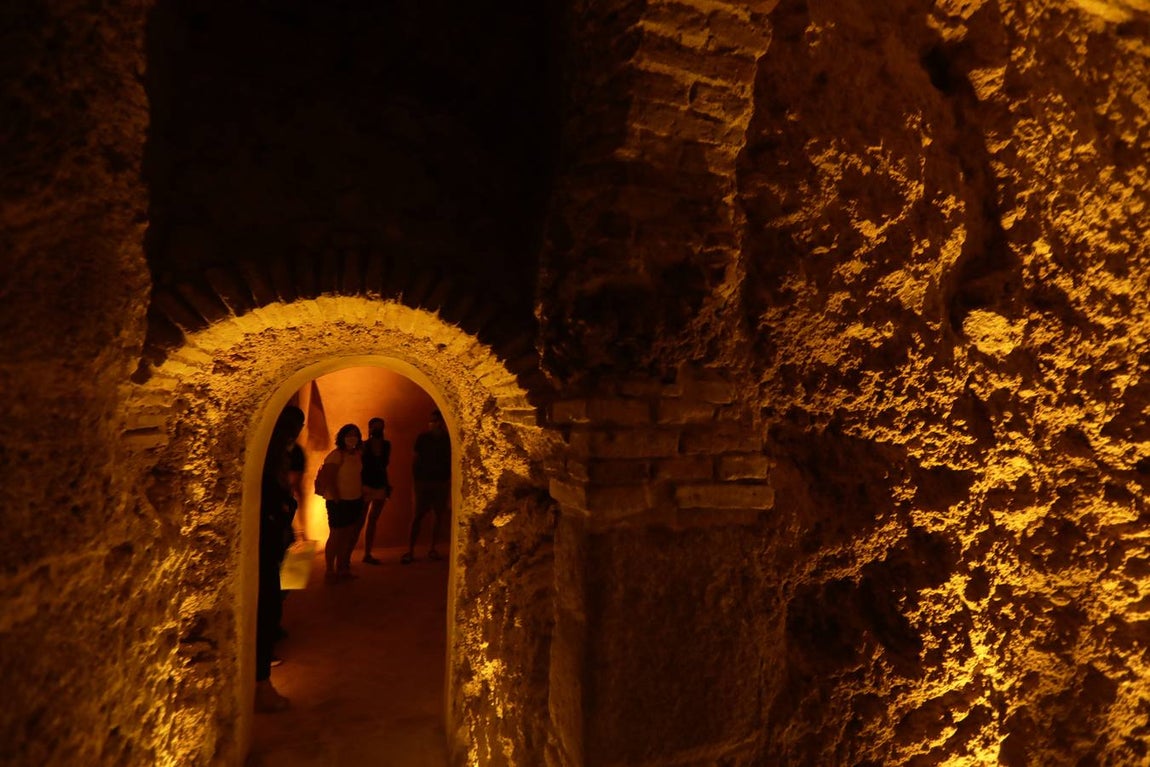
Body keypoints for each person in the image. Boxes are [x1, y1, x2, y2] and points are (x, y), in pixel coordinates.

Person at [256, 404, 305, 713]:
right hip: (266, 548)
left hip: (275, 544)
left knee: (275, 603)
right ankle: (261, 684)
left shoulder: (279, 454)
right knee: (266, 610)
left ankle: (263, 671)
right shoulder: (268, 457)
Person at [401, 408, 450, 565]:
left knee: (438, 516)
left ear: (442, 423)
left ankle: (433, 548)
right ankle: (410, 550)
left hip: (441, 481)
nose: (433, 424)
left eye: (436, 421)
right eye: (431, 421)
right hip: (423, 482)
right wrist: (415, 481)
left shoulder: (447, 440)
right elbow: (415, 459)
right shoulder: (423, 438)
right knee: (417, 516)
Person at [320, 424, 365, 580]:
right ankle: (329, 570)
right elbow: (330, 478)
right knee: (336, 535)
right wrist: (337, 498)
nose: (352, 438)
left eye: (355, 434)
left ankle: (342, 569)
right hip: (338, 502)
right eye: (349, 434)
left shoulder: (357, 455)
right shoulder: (336, 455)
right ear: (342, 437)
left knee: (347, 535)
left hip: (354, 500)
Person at [360, 417, 392, 565]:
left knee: (372, 520)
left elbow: (384, 465)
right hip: (366, 484)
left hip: (380, 484)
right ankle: (353, 554)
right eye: (375, 427)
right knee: (360, 520)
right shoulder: (364, 446)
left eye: (380, 426)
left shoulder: (386, 445)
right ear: (370, 428)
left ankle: (367, 553)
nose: (378, 429)